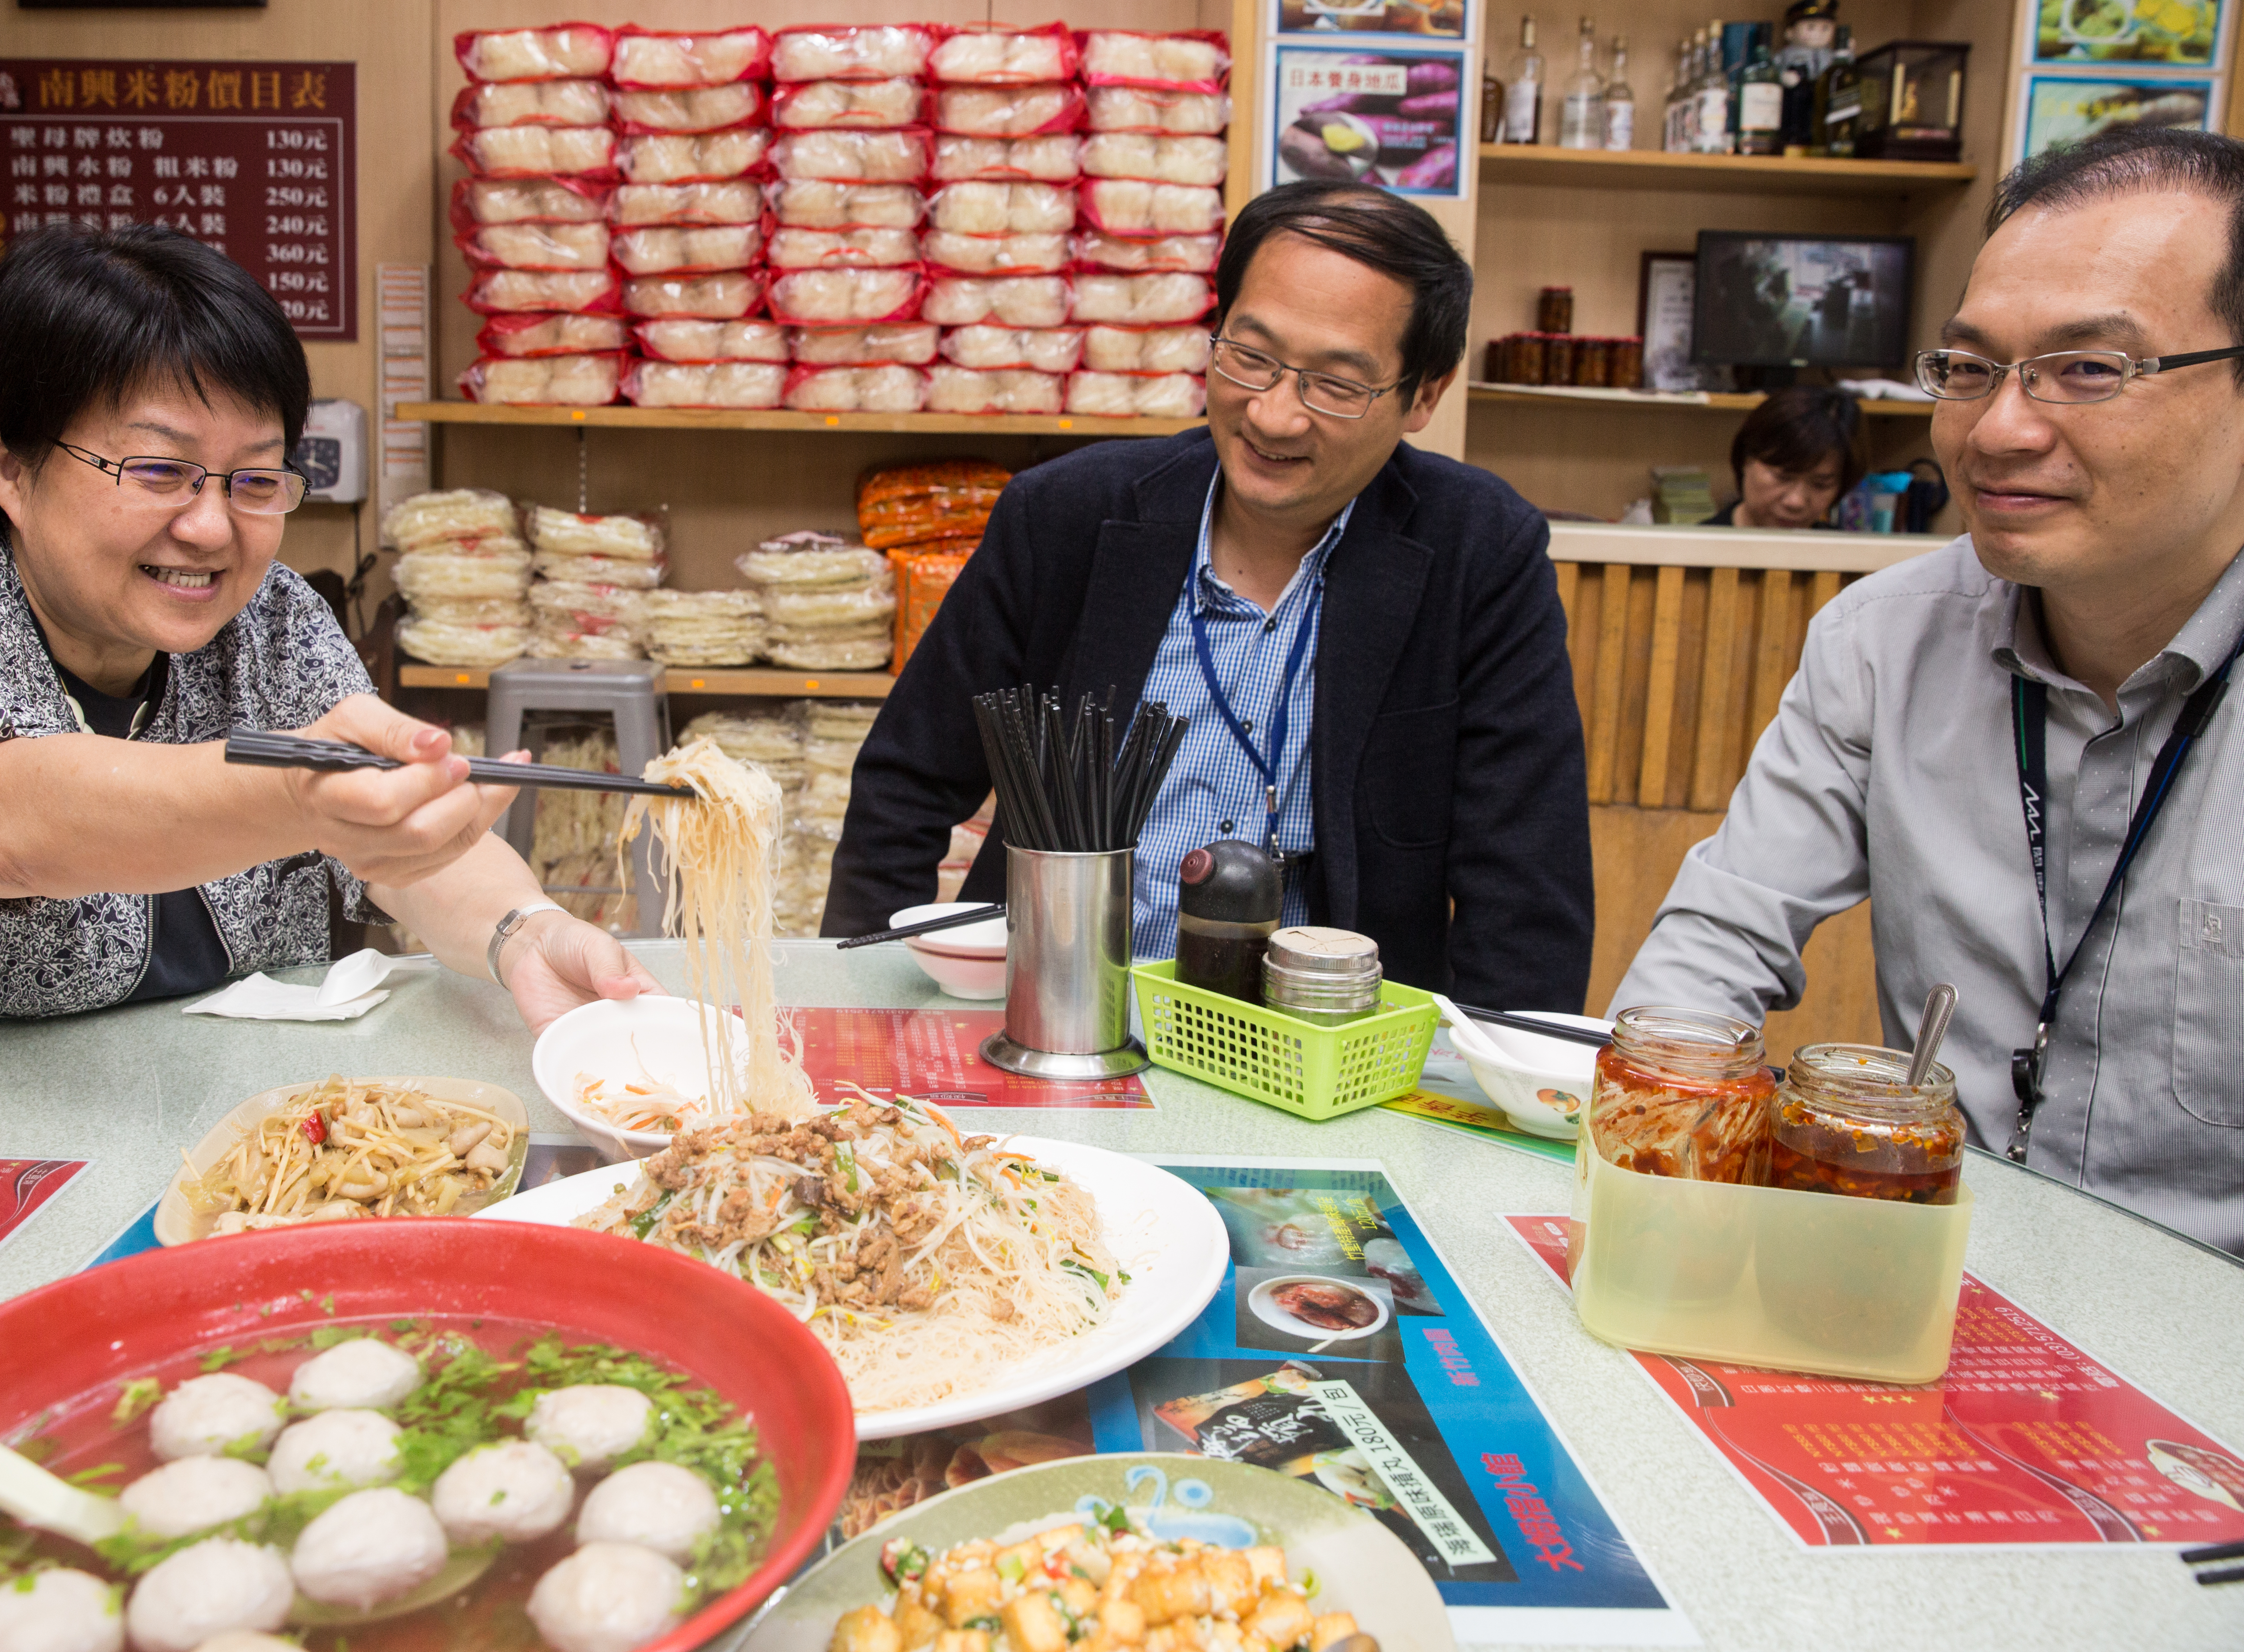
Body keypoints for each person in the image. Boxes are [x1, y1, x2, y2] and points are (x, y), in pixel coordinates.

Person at [0, 226, 654, 1084]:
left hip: (179, 1140)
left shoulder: (271, 621)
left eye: (255, 480)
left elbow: (400, 849)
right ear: (9, 467)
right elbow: (9, 824)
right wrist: (299, 794)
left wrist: (522, 932)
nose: (211, 526)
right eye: (159, 471)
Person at [1616, 128, 2244, 1253]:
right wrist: (1645, 1144)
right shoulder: (1882, 640)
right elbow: (1717, 939)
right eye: (1966, 367)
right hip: (1925, 1285)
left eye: (2088, 369)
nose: (1997, 428)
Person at [825, 183, 1594, 1009]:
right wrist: (852, 1007)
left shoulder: (1478, 553)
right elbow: (905, 784)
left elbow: (1524, 887)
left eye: (1334, 385)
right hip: (1057, 1018)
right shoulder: (1069, 517)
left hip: (1334, 1064)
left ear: (1425, 396)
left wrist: (1488, 1109)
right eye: (1250, 356)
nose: (1272, 416)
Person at [1702, 386, 1862, 528]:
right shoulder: (1688, 555)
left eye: (1821, 485)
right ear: (1746, 460)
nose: (1796, 502)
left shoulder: (1847, 558)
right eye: (1783, 477)